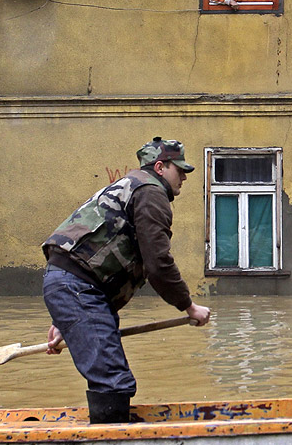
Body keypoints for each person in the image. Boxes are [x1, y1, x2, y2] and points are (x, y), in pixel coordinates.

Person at [42, 137, 211, 424]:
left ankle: (112, 436)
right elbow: (158, 263)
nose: (184, 176)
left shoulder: (130, 187)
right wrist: (188, 306)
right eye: (179, 169)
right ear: (160, 167)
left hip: (75, 288)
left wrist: (67, 320)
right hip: (77, 288)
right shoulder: (150, 193)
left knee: (112, 375)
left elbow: (93, 258)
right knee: (113, 380)